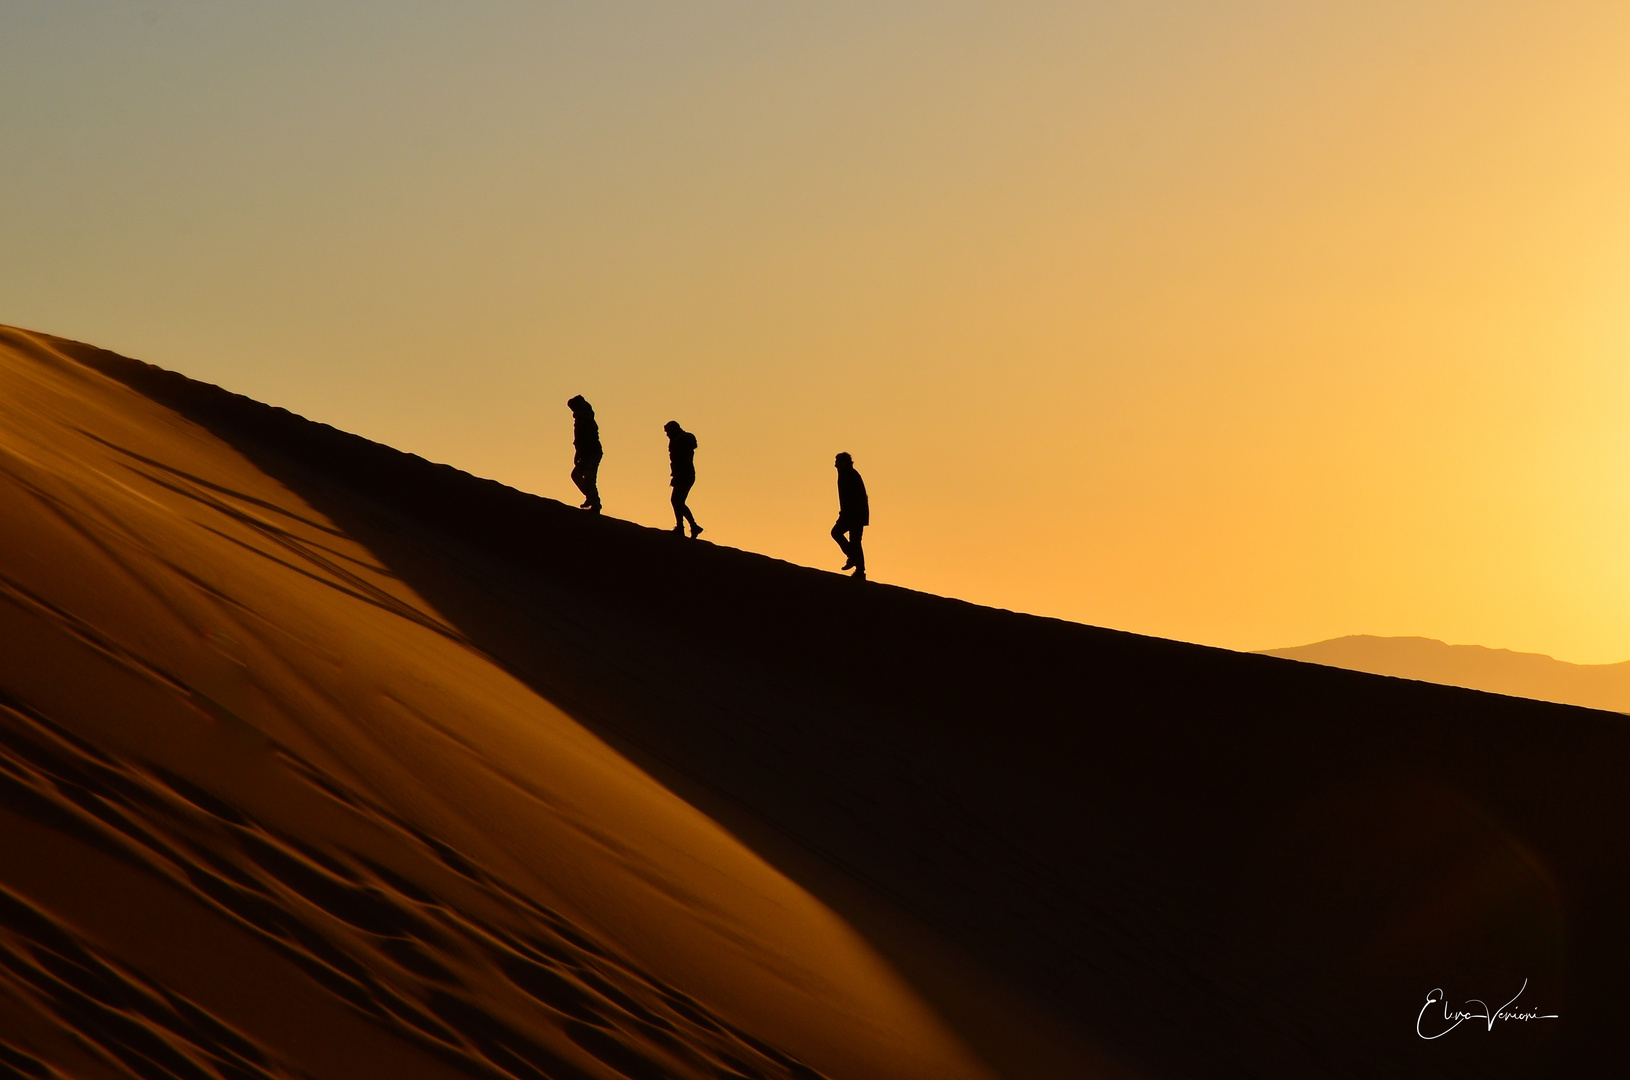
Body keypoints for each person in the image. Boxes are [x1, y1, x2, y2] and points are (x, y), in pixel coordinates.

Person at [831, 452, 868, 579]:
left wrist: (846, 514)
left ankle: (855, 561)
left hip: (854, 515)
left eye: (837, 461)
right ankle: (859, 569)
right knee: (855, 541)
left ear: (843, 462)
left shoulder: (849, 475)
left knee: (839, 534)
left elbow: (853, 498)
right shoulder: (847, 474)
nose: (835, 464)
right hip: (854, 514)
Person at [665, 420, 702, 538]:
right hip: (685, 474)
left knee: (676, 500)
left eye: (668, 432)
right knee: (677, 501)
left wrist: (678, 475)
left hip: (684, 474)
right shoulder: (679, 440)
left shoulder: (680, 441)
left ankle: (687, 527)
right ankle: (689, 526)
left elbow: (682, 460)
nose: (667, 435)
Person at [567, 395, 602, 512]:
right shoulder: (581, 420)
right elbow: (578, 440)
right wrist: (578, 454)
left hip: (592, 453)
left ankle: (595, 503)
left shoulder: (586, 420)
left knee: (589, 479)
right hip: (586, 453)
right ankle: (591, 498)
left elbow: (585, 438)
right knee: (576, 475)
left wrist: (580, 453)